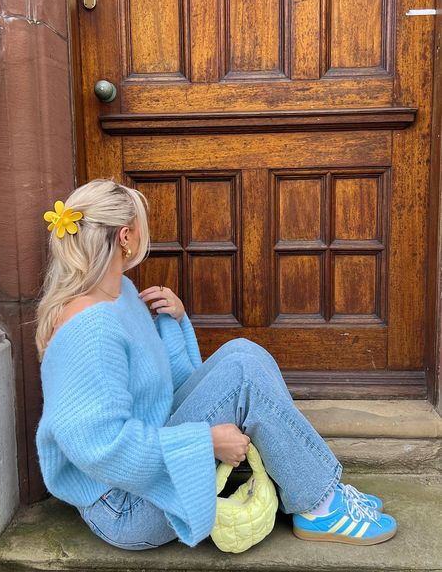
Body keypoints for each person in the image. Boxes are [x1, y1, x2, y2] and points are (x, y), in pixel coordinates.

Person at [35, 178, 397, 551]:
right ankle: (320, 505)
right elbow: (99, 448)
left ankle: (315, 489)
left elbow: (162, 391)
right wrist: (205, 441)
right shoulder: (88, 329)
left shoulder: (118, 292)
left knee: (243, 353)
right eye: (143, 223)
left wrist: (173, 323)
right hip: (124, 506)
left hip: (141, 478)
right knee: (244, 379)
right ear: (125, 236)